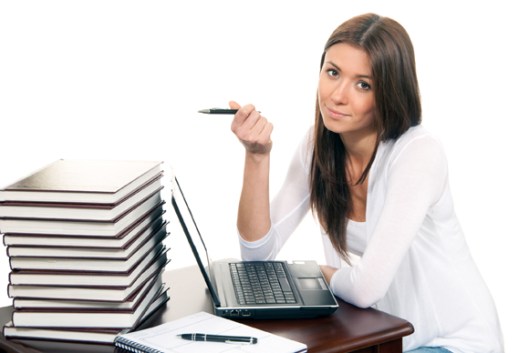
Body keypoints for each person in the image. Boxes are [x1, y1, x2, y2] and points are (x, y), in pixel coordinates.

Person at [228, 13, 503, 353]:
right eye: (333, 73)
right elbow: (256, 257)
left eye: (363, 84)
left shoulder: (417, 154)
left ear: (389, 92)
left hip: (452, 340)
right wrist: (257, 156)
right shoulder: (318, 146)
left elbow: (365, 288)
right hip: (388, 334)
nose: (337, 95)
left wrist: (317, 274)